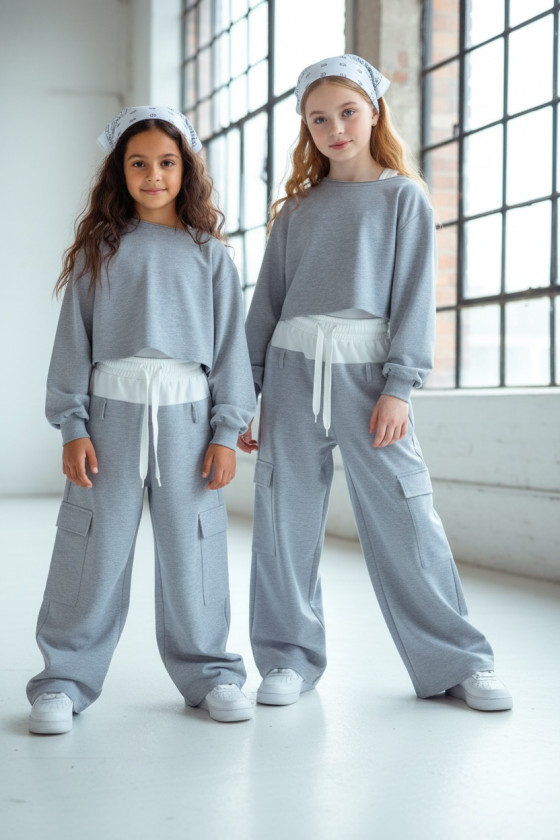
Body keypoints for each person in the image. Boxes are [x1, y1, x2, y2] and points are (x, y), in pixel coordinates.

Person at [238, 55, 512, 712]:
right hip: (291, 373)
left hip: (369, 379)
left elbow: (415, 299)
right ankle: (287, 659)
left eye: (347, 113)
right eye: (319, 119)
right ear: (306, 128)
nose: (335, 129)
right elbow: (265, 305)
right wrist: (246, 397)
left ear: (374, 112)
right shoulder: (296, 210)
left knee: (408, 516)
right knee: (283, 521)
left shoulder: (403, 197)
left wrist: (399, 387)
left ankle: (458, 662)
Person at [27, 106, 256, 733]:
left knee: (195, 550)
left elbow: (231, 352)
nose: (153, 175)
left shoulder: (211, 256)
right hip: (110, 420)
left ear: (186, 170)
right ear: (119, 172)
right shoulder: (99, 252)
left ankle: (211, 673)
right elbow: (72, 344)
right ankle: (64, 679)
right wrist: (73, 426)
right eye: (139, 163)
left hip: (189, 422)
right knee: (91, 548)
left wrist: (226, 433)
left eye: (166, 163)